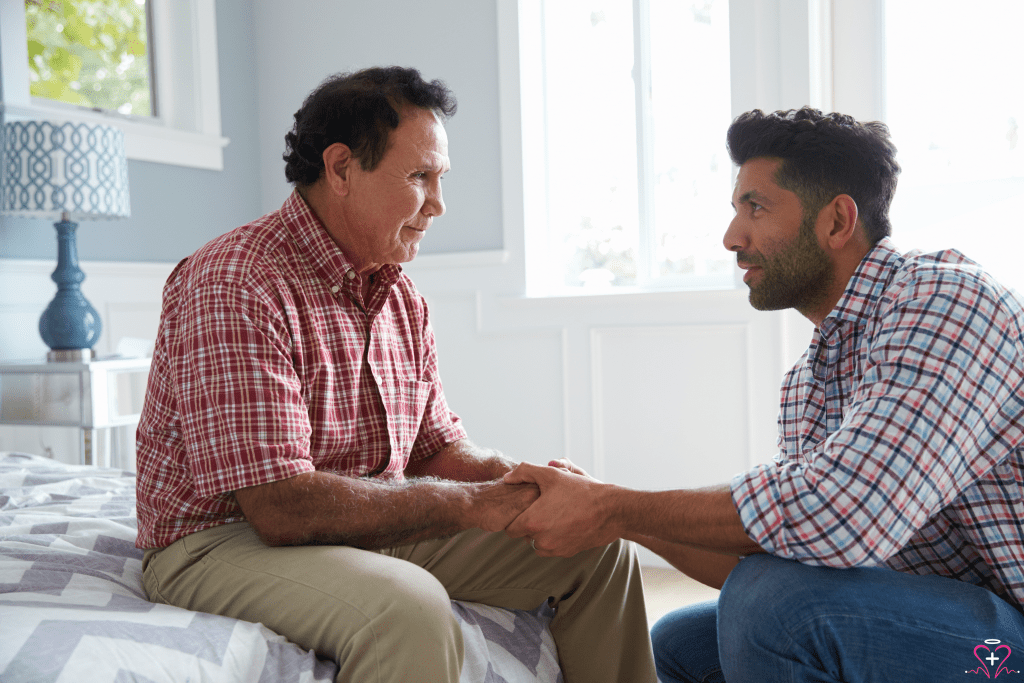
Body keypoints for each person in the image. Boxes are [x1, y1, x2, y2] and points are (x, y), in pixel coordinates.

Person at [134, 66, 657, 683]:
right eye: (419, 177)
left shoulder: (398, 294)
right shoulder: (235, 282)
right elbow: (279, 508)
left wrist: (522, 483)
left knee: (597, 549)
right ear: (341, 168)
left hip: (360, 521)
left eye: (440, 179)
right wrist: (472, 506)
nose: (438, 204)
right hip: (220, 541)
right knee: (406, 610)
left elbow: (434, 447)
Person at [504, 107, 1024, 682]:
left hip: (1007, 644)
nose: (732, 238)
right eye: (735, 210)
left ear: (836, 221)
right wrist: (612, 515)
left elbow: (844, 512)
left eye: (756, 207)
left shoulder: (946, 302)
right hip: (941, 622)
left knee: (777, 606)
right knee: (683, 643)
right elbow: (776, 550)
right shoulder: (811, 379)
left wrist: (614, 504)